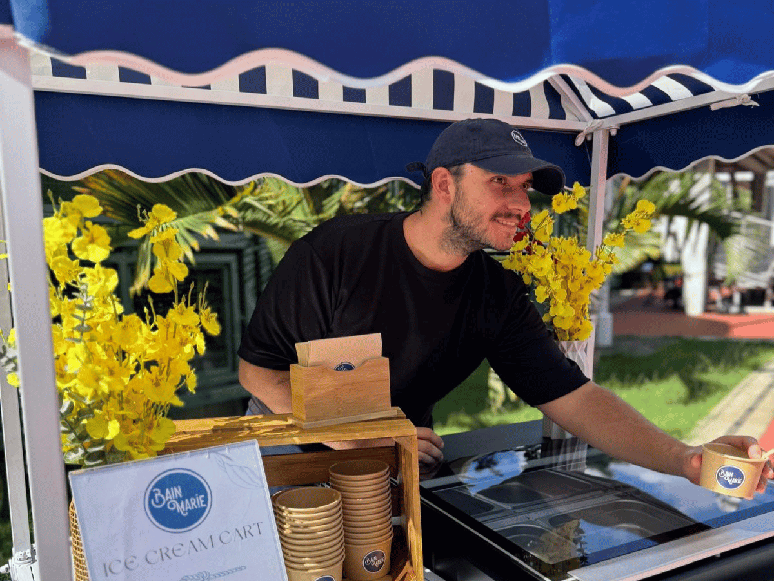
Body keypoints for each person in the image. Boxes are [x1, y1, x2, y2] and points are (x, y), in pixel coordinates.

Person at [238, 118, 773, 492]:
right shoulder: (336, 252)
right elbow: (259, 373)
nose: (521, 204)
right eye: (500, 183)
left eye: (525, 187)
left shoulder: (496, 293)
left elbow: (574, 398)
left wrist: (685, 459)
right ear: (444, 184)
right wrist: (352, 438)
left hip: (395, 465)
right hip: (288, 458)